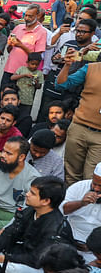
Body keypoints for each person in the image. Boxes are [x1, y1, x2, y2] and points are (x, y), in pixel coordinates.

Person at [0, 176, 66, 273]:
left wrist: (0, 258)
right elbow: (11, 232)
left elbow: (36, 259)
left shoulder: (55, 227)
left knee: (10, 269)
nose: (27, 194)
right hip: (24, 251)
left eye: (32, 193)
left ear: (45, 201)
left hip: (41, 267)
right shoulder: (31, 210)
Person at [55, 45, 101, 184]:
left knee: (91, 178)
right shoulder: (91, 68)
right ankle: (68, 202)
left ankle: (86, 205)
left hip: (99, 137)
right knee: (71, 173)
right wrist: (67, 66)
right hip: (79, 128)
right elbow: (61, 85)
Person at [1, 4, 47, 91]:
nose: (27, 18)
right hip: (9, 69)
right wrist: (11, 45)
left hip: (26, 73)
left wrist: (21, 45)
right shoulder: (18, 27)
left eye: (30, 16)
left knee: (22, 100)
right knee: (4, 98)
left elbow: (37, 57)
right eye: (25, 15)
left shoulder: (42, 32)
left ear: (37, 16)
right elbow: (9, 50)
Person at [60, 163, 101, 260]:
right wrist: (81, 203)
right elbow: (62, 210)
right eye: (94, 183)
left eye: (100, 186)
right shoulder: (79, 186)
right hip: (68, 239)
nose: (96, 189)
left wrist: (93, 246)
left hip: (96, 251)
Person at [12, 53, 44, 119]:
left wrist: (36, 83)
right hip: (17, 98)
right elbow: (12, 77)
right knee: (13, 115)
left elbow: (39, 87)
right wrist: (24, 75)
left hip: (28, 100)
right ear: (27, 62)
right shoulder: (22, 69)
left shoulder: (39, 73)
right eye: (32, 64)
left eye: (37, 65)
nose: (34, 66)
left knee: (24, 117)